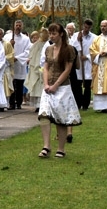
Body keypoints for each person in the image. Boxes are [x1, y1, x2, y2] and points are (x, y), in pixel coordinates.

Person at [37, 23, 82, 158]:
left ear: (61, 34)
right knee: (44, 115)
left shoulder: (69, 50)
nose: (51, 36)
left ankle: (61, 148)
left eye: (54, 33)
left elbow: (68, 70)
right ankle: (46, 146)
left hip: (62, 87)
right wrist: (46, 84)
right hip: (48, 87)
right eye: (50, 33)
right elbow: (45, 67)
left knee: (61, 118)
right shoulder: (49, 49)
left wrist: (56, 85)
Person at [4, 20, 30, 110]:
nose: (18, 27)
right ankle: (11, 103)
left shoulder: (26, 39)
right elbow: (3, 47)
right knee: (11, 84)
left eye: (19, 25)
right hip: (9, 64)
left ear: (22, 27)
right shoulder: (7, 37)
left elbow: (27, 51)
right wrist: (10, 45)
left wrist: (17, 57)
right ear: (13, 26)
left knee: (19, 85)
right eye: (16, 25)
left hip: (19, 64)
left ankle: (18, 103)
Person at [72, 19, 96, 110]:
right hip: (78, 62)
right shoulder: (76, 35)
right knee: (77, 85)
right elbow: (72, 47)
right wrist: (78, 41)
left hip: (87, 62)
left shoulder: (94, 37)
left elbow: (95, 50)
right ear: (83, 26)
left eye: (88, 28)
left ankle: (86, 104)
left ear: (91, 27)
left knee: (87, 85)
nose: (86, 29)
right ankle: (78, 102)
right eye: (85, 27)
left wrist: (87, 57)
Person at [24, 28, 49, 110]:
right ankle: (38, 105)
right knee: (37, 86)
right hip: (36, 67)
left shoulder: (49, 44)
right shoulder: (36, 44)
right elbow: (32, 55)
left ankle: (44, 104)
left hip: (45, 67)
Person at [0, 27, 14, 113]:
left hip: (4, 68)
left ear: (2, 35)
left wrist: (3, 59)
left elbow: (11, 55)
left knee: (4, 86)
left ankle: (3, 104)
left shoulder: (7, 44)